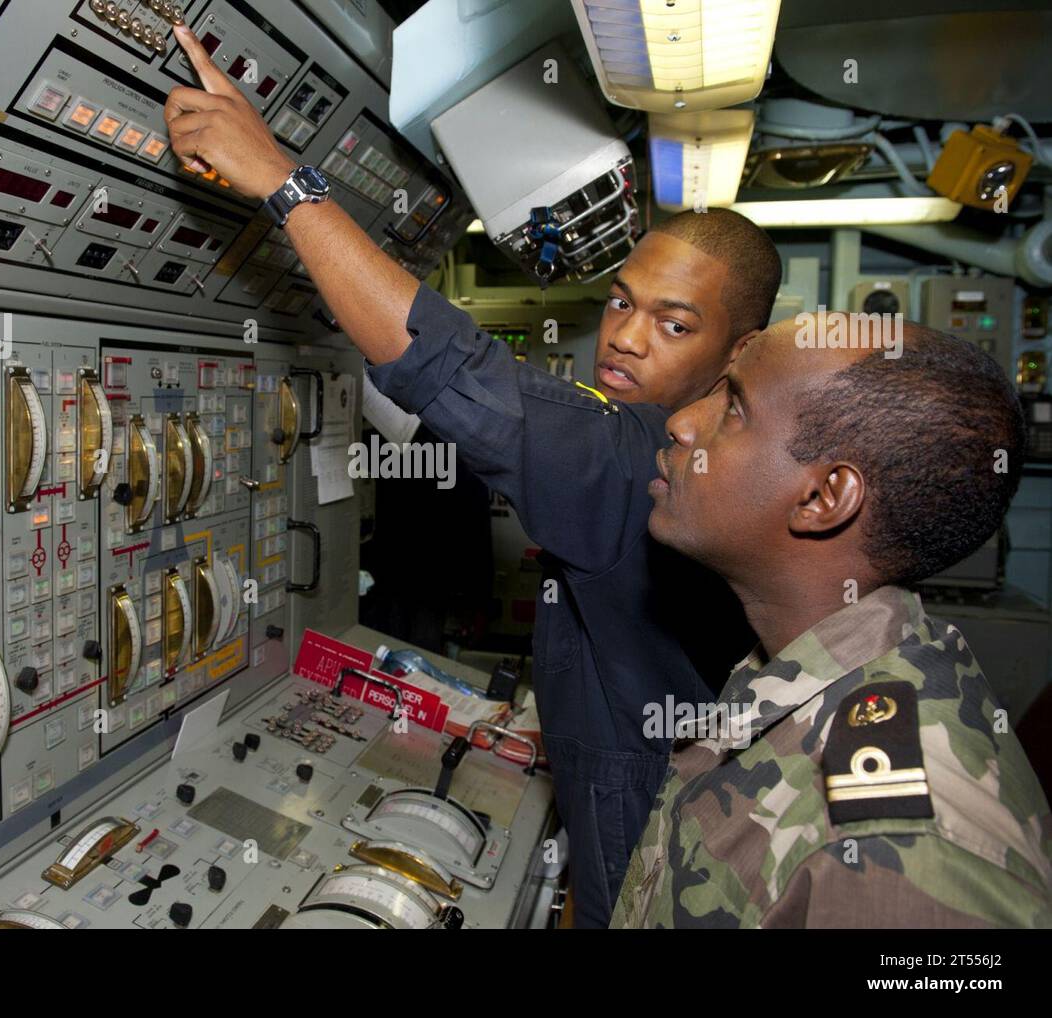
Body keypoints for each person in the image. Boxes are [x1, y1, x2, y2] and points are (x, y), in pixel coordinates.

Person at [162, 26, 779, 927]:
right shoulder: (694, 449)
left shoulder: (643, 464)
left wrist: (283, 184)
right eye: (619, 302)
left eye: (674, 325)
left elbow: (459, 372)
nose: (628, 336)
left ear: (741, 352)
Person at [612, 314, 1052, 927]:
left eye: (734, 406)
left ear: (822, 499)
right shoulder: (797, 661)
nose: (682, 422)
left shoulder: (899, 856)